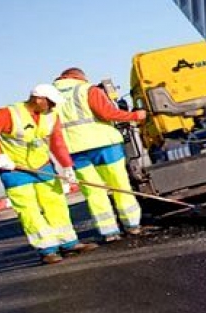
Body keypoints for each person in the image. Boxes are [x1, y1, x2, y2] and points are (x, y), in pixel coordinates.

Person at [0, 84, 99, 264]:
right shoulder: (7, 114)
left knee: (56, 204)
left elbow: (57, 142)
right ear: (38, 99)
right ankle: (47, 250)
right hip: (15, 170)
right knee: (29, 210)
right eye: (50, 103)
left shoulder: (51, 116)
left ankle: (69, 243)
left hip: (43, 166)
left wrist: (67, 166)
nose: (53, 107)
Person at [54, 67, 147, 242]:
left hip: (74, 150)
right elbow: (107, 113)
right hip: (104, 145)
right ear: (80, 77)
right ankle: (132, 225)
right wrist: (135, 115)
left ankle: (109, 231)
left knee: (93, 191)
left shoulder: (49, 97)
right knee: (119, 185)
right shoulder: (86, 89)